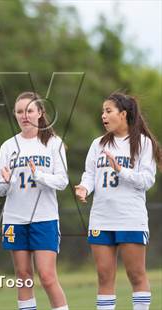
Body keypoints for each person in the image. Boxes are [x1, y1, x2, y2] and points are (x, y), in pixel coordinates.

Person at [75, 92, 161, 310]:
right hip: (101, 219)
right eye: (102, 111)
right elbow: (90, 174)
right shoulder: (98, 144)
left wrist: (120, 170)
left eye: (108, 111)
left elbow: (146, 181)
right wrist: (85, 188)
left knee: (136, 274)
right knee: (104, 278)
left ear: (123, 114)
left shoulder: (143, 143)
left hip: (130, 218)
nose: (103, 115)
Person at [0, 92, 69, 310]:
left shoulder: (54, 143)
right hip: (15, 219)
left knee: (46, 276)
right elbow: (0, 188)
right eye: (19, 111)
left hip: (44, 218)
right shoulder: (8, 146)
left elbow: (62, 181)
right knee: (24, 276)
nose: (24, 115)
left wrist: (40, 176)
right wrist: (6, 182)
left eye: (29, 110)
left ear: (40, 113)